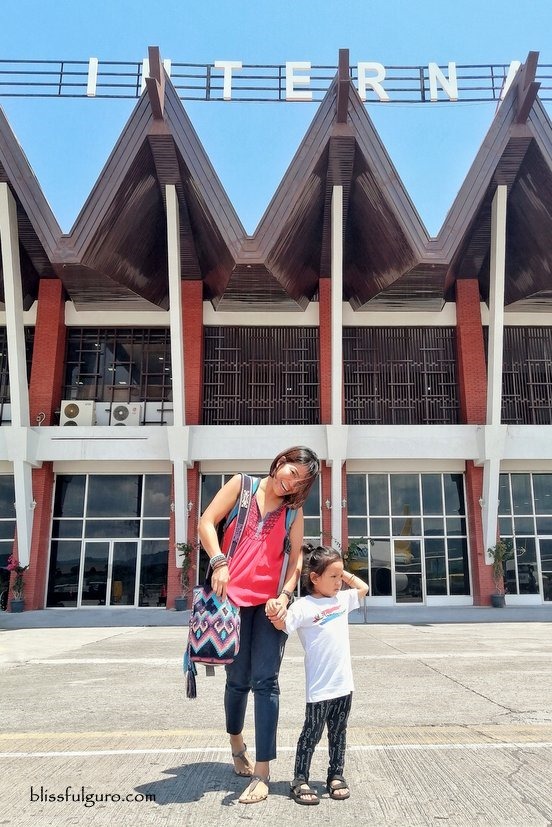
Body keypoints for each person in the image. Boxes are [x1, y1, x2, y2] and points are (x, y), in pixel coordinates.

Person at [198, 446, 320, 804]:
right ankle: (236, 741)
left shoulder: (293, 511)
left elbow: (297, 556)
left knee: (267, 683)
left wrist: (284, 595)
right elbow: (206, 521)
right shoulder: (242, 485)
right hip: (231, 603)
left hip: (269, 607)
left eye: (301, 482)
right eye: (292, 473)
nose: (291, 484)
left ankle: (263, 772)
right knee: (237, 681)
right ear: (281, 462)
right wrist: (219, 561)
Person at [271, 544, 369, 805]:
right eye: (333, 577)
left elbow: (363, 589)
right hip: (319, 687)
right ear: (315, 578)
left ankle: (336, 774)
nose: (339, 583)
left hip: (343, 684)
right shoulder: (304, 606)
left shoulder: (342, 600)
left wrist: (342, 571)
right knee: (311, 735)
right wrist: (274, 610)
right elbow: (283, 624)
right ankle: (300, 779)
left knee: (339, 734)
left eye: (340, 577)